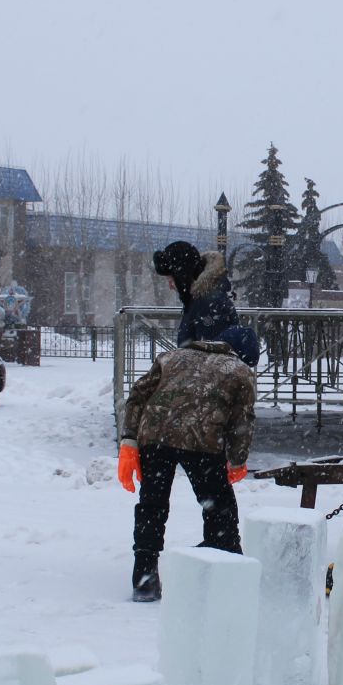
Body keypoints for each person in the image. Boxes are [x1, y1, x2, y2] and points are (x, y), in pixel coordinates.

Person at [117, 333, 257, 602]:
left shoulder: (171, 357)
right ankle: (226, 567)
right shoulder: (240, 371)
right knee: (219, 508)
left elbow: (137, 395)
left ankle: (144, 577)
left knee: (152, 506)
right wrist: (237, 459)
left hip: (155, 435)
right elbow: (242, 420)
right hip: (203, 440)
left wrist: (130, 440)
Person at [153, 240, 259, 367]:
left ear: (182, 276)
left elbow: (211, 361)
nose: (170, 286)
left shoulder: (208, 303)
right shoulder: (201, 299)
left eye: (171, 280)